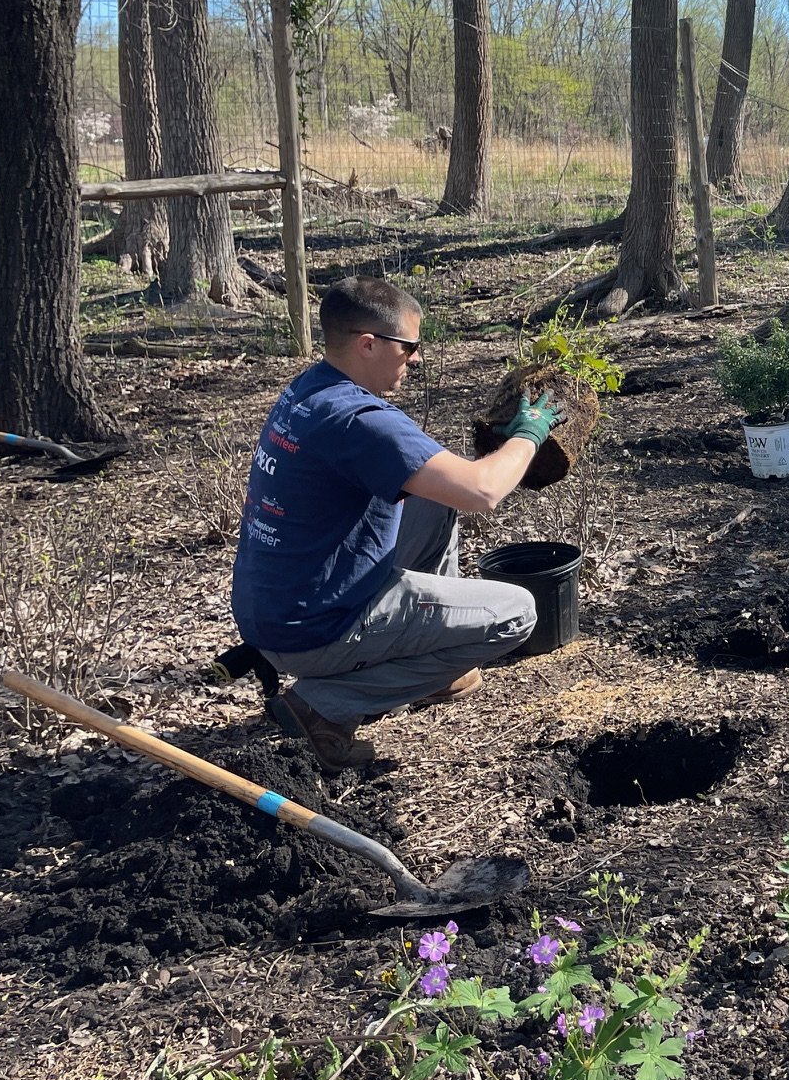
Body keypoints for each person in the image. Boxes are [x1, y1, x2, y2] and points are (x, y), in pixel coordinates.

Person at [231, 276, 565, 769]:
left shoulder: (311, 389)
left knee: (431, 499)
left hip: (279, 604)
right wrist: (528, 435)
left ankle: (437, 659)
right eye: (409, 347)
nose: (416, 359)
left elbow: (446, 484)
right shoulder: (358, 420)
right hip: (317, 629)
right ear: (368, 344)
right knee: (515, 612)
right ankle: (321, 708)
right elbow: (482, 491)